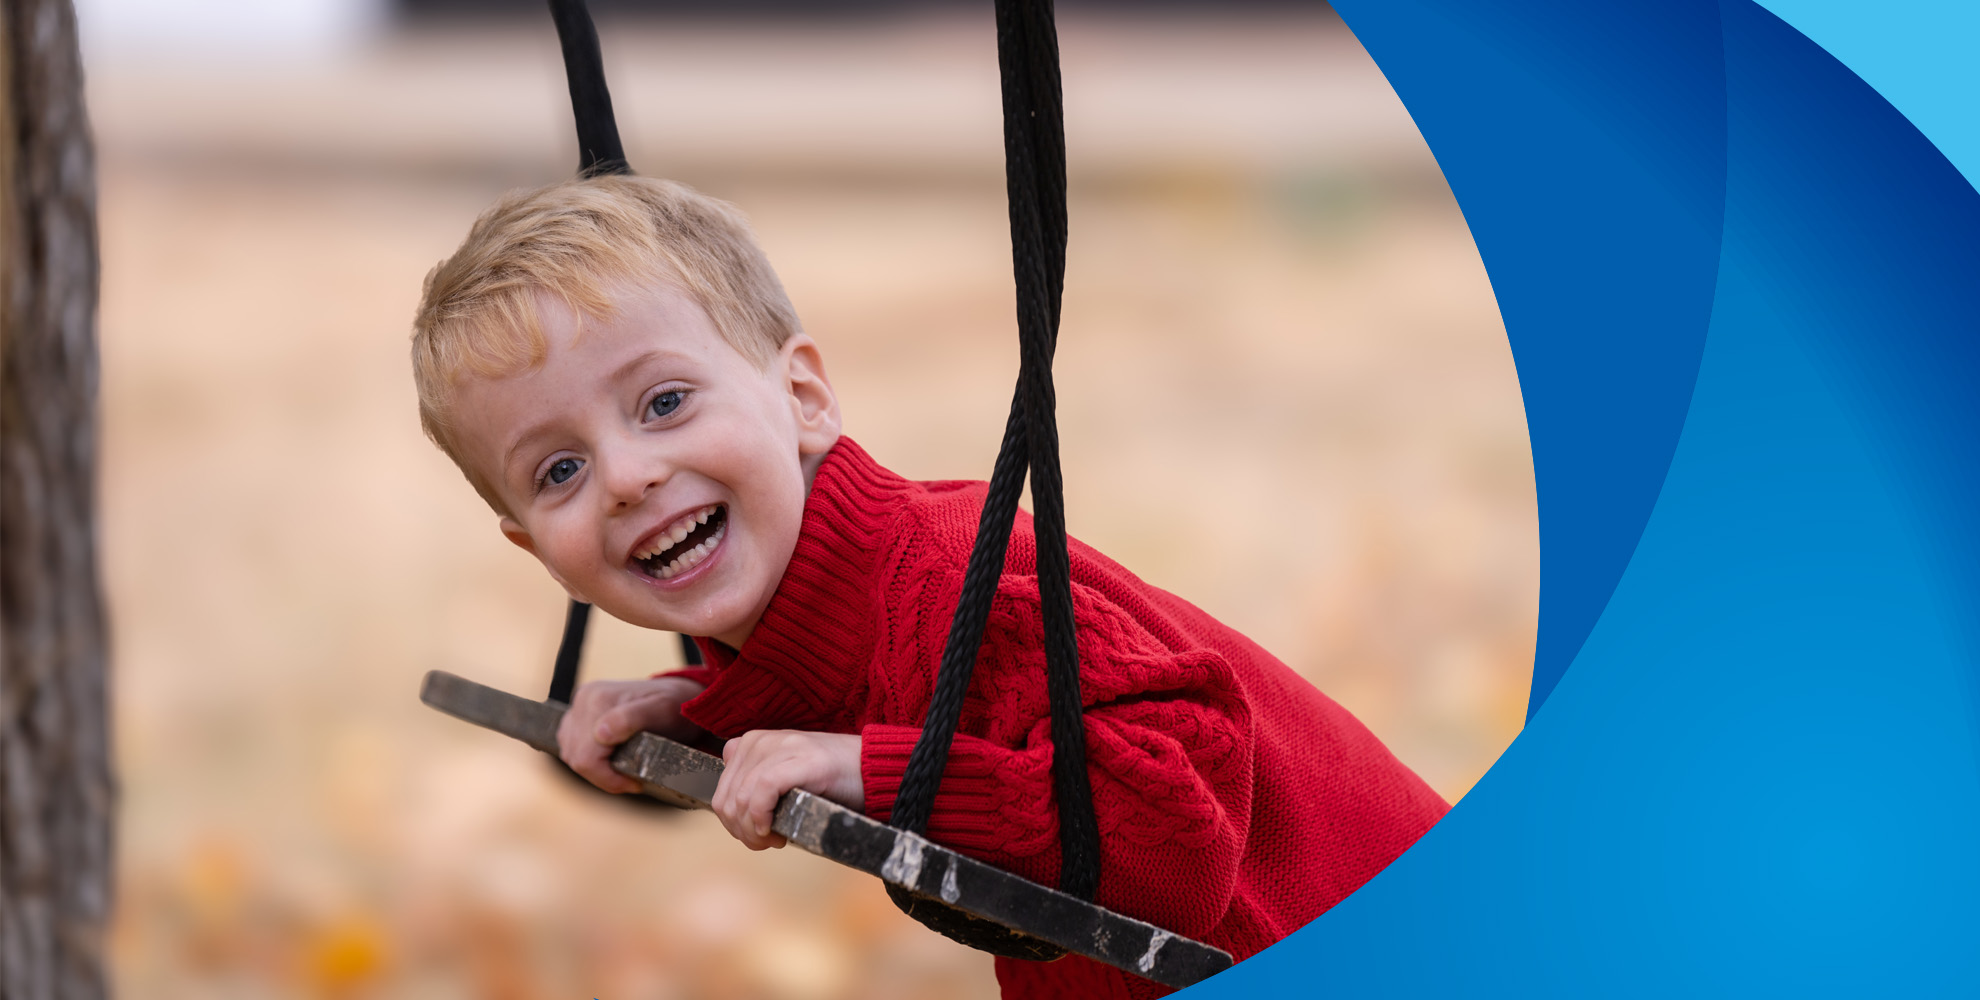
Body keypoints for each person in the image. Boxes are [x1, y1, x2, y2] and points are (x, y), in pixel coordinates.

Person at [411, 174, 1449, 999]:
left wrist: (863, 766)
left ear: (805, 396)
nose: (627, 476)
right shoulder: (814, 593)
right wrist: (703, 719)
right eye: (559, 470)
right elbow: (897, 704)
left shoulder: (958, 579)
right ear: (527, 542)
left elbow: (1175, 841)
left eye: (665, 401)